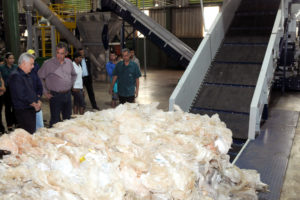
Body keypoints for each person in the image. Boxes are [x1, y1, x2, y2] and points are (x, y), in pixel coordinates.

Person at [38, 42, 77, 127]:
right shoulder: (48, 64)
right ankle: (54, 139)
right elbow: (39, 77)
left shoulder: (69, 63)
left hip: (67, 94)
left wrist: (70, 85)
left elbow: (74, 74)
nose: (59, 56)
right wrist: (45, 92)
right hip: (55, 95)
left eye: (62, 53)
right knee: (55, 120)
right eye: (57, 53)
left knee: (68, 119)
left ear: (66, 53)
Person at [8, 53, 41, 134]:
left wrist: (38, 100)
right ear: (23, 63)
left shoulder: (27, 75)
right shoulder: (15, 76)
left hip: (30, 109)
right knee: (28, 134)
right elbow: (21, 95)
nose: (33, 66)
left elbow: (32, 91)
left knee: (32, 132)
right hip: (23, 111)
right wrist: (33, 103)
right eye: (31, 64)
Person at [0, 52, 18, 132]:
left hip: (15, 89)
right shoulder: (2, 67)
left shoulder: (16, 67)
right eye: (10, 58)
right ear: (6, 59)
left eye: (13, 58)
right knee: (8, 108)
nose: (12, 60)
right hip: (6, 90)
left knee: (15, 107)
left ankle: (16, 122)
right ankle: (9, 125)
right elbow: (1, 78)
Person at [27, 49, 44, 130]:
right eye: (31, 55)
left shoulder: (36, 66)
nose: (33, 56)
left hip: (36, 95)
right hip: (29, 98)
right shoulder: (24, 74)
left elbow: (39, 82)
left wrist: (39, 94)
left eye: (34, 54)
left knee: (38, 113)